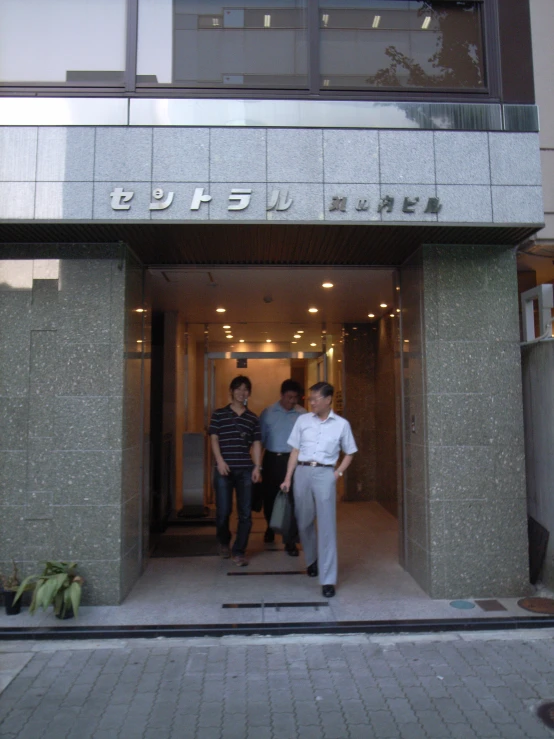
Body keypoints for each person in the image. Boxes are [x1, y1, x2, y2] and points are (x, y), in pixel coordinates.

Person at [280, 381, 357, 597]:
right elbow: (294, 451)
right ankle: (312, 559)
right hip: (302, 472)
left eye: (315, 399)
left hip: (325, 474)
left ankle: (328, 579)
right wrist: (288, 478)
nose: (311, 402)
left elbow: (350, 452)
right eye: (310, 398)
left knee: (326, 526)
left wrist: (337, 473)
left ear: (328, 399)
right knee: (303, 522)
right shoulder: (302, 420)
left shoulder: (341, 424)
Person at [209, 375, 262, 567]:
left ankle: (239, 550)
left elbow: (256, 443)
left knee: (245, 513)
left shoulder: (252, 418)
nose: (242, 392)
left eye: (246, 389)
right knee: (223, 511)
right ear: (231, 391)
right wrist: (220, 461)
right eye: (238, 388)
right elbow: (214, 439)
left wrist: (257, 466)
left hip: (245, 470)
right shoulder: (219, 414)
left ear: (249, 393)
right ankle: (224, 541)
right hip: (224, 469)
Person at [259, 379, 306, 556]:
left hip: (293, 460)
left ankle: (290, 541)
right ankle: (270, 526)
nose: (292, 401)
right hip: (272, 459)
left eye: (295, 398)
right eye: (289, 397)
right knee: (270, 499)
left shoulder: (303, 414)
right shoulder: (268, 413)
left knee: (293, 501)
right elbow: (260, 440)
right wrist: (257, 466)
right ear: (281, 395)